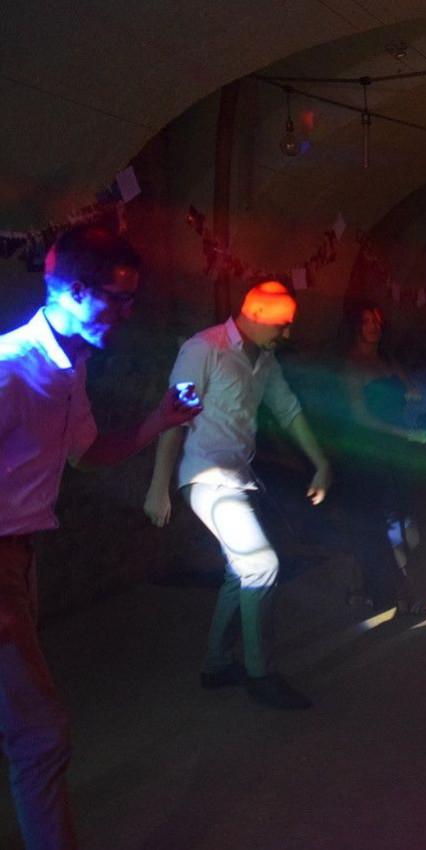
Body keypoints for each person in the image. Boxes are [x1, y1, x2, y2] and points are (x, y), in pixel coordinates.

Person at [0, 224, 201, 850]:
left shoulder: (71, 366)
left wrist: (156, 423)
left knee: (25, 727)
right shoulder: (9, 370)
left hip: (21, 560)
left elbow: (86, 454)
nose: (127, 311)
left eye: (132, 298)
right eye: (117, 297)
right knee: (41, 736)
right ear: (72, 292)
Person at [144, 280, 330, 710]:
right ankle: (259, 673)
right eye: (283, 325)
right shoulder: (202, 349)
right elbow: (175, 415)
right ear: (258, 314)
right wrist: (158, 486)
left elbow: (289, 409)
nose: (287, 335)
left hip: (240, 477)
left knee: (240, 570)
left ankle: (215, 665)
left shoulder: (265, 360)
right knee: (262, 564)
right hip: (206, 478)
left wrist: (321, 463)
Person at [337, 300, 426, 615]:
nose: (373, 326)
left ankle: (365, 589)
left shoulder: (386, 360)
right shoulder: (351, 366)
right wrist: (403, 433)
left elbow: (411, 392)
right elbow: (361, 418)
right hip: (367, 451)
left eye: (377, 321)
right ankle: (402, 595)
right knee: (382, 522)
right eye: (367, 321)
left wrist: (412, 395)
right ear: (356, 327)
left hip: (394, 449)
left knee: (395, 523)